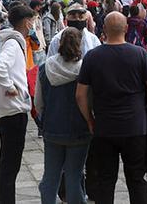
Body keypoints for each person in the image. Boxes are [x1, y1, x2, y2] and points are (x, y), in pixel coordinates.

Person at [76, 11, 147, 204]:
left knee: (105, 180)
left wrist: (89, 119)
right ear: (127, 28)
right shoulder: (139, 53)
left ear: (104, 30)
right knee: (137, 179)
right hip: (135, 126)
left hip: (105, 127)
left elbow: (80, 94)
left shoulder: (92, 56)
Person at [35, 28, 91, 204]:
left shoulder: (45, 68)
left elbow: (38, 103)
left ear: (59, 44)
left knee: (50, 177)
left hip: (52, 128)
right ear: (79, 45)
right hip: (79, 130)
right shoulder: (85, 70)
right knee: (74, 176)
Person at [0, 4, 37, 204]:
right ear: (27, 22)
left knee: (10, 163)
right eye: (33, 20)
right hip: (13, 110)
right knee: (10, 164)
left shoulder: (16, 41)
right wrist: (9, 86)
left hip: (12, 109)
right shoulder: (13, 43)